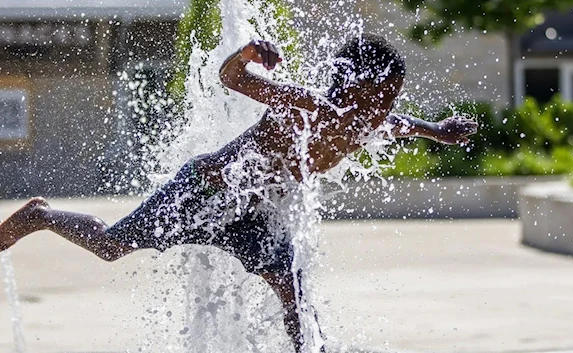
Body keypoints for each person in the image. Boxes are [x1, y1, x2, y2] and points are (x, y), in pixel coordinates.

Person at [0, 34, 477, 352]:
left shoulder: (370, 122)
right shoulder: (308, 106)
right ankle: (40, 216)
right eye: (381, 95)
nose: (387, 108)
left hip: (254, 214)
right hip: (206, 191)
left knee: (291, 291)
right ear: (352, 88)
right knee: (109, 246)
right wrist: (246, 55)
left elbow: (404, 126)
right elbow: (233, 80)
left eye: (392, 97)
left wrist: (438, 130)